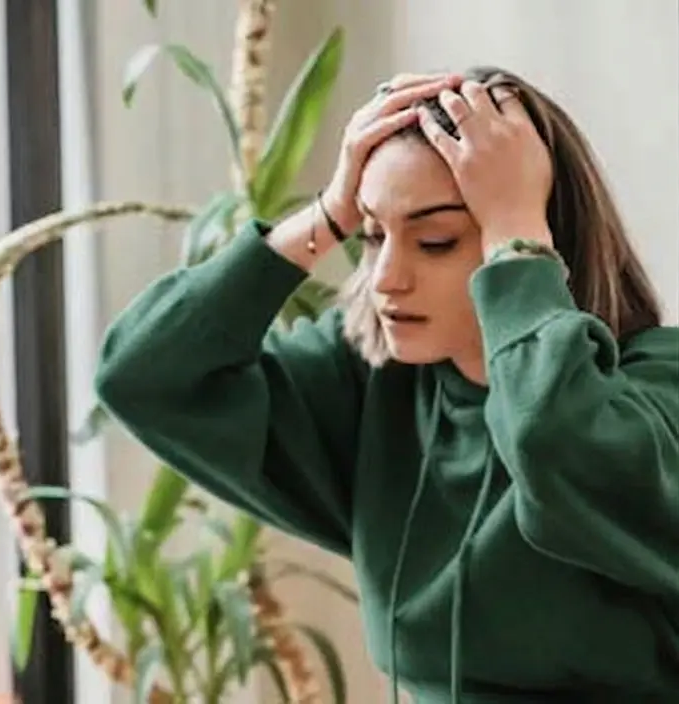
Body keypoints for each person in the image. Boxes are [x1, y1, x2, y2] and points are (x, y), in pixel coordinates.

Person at [95, 66, 679, 703]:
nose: (385, 278)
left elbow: (552, 445)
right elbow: (143, 376)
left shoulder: (655, 395)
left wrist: (514, 224)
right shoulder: (375, 390)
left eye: (434, 240)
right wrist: (327, 212)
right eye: (374, 235)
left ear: (539, 239)